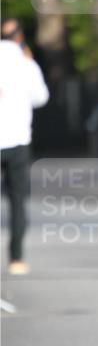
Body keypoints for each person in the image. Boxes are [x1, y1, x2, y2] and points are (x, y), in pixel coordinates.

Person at [0, 22, 50, 275]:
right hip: (18, 140)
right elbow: (41, 97)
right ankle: (16, 258)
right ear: (20, 37)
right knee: (18, 201)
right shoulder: (26, 64)